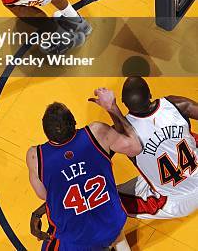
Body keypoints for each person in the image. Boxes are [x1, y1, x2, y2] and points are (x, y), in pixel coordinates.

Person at [26, 89, 140, 250]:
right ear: (74, 122)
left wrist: (38, 213)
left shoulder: (35, 156)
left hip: (78, 241)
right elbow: (135, 147)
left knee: (59, 236)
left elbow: (44, 195)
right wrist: (112, 107)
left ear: (46, 133)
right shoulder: (97, 132)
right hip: (112, 225)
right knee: (108, 224)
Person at [112, 76, 198, 220]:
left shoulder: (122, 134)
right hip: (192, 173)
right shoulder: (176, 104)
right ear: (150, 95)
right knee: (190, 138)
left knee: (109, 201)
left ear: (124, 103)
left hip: (176, 202)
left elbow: (95, 155)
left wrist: (112, 109)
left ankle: (116, 241)